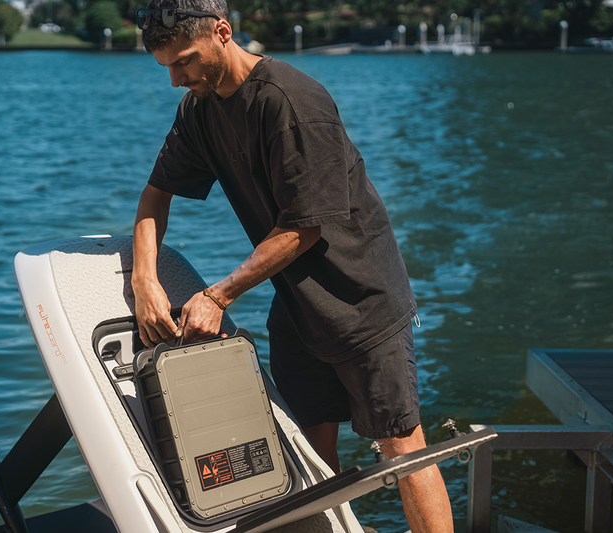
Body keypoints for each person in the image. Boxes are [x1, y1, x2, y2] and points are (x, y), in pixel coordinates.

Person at [130, 1, 453, 531]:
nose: (175, 79)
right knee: (309, 447)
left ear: (222, 32)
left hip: (361, 301)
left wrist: (216, 296)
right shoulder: (200, 109)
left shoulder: (292, 100)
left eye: (184, 61)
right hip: (297, 304)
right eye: (167, 66)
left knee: (401, 448)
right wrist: (145, 279)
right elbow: (155, 195)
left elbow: (304, 228)